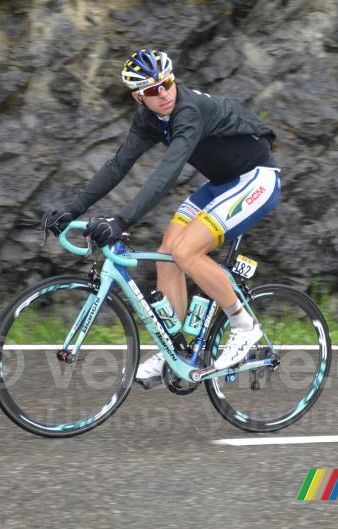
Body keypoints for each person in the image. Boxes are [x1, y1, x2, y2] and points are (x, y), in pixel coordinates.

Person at [42, 49, 281, 387]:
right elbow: (117, 166)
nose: (164, 93)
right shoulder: (147, 119)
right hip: (221, 184)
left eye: (167, 83)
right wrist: (73, 209)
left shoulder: (188, 111)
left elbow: (167, 173)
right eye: (153, 91)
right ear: (138, 97)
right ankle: (176, 352)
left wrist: (122, 221)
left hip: (255, 179)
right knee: (167, 254)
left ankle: (244, 327)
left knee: (186, 252)